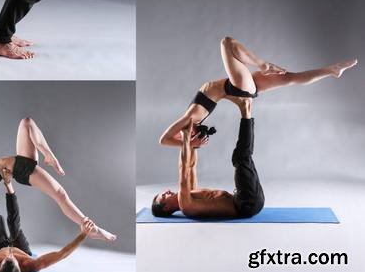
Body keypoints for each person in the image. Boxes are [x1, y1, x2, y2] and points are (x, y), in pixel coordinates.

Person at [151, 36, 357, 218]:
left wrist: (191, 144)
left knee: (291, 78)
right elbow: (176, 159)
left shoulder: (192, 189)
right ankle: (263, 66)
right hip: (245, 203)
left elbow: (189, 166)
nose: (167, 192)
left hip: (236, 89)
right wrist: (186, 140)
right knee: (227, 43)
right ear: (166, 207)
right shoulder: (186, 203)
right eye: (164, 196)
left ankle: (331, 70)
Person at [0, 115, 116, 245]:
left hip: (20, 161)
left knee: (27, 122)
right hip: (22, 170)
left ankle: (49, 155)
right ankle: (88, 226)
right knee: (60, 195)